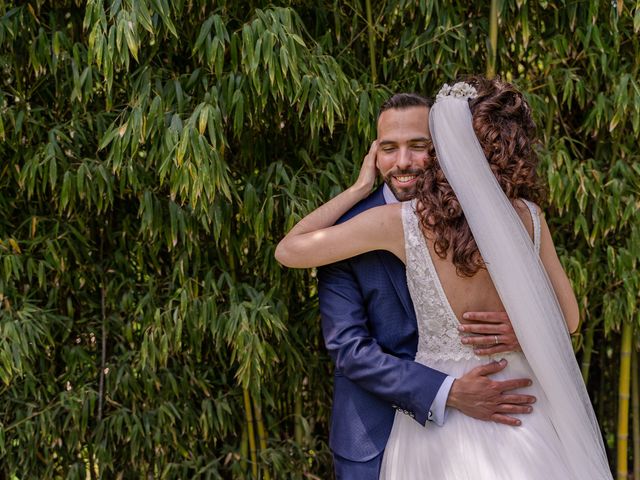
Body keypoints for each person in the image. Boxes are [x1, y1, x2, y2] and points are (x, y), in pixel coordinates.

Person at [276, 77, 612, 479]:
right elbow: (570, 319)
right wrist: (359, 190)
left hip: (452, 431)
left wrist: (524, 330)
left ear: (442, 150)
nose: (404, 161)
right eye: (388, 147)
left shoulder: (399, 224)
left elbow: (288, 249)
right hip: (514, 405)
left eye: (419, 146)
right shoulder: (527, 217)